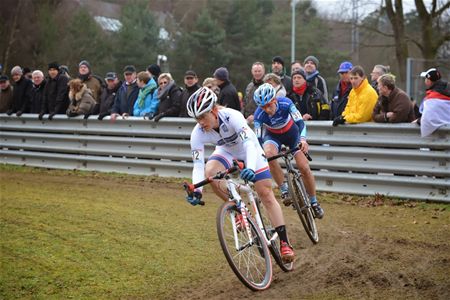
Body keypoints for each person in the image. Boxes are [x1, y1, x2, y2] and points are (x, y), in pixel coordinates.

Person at [185, 86, 295, 262]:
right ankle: (238, 208)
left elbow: (249, 144)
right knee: (210, 173)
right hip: (226, 151)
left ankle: (284, 242)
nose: (200, 123)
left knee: (265, 194)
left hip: (250, 150)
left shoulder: (232, 116)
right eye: (196, 119)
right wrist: (196, 190)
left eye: (202, 117)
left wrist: (250, 167)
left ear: (214, 110)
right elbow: (197, 165)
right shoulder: (197, 133)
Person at [253, 83, 324, 219]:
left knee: (304, 167)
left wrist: (303, 140)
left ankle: (314, 201)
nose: (267, 110)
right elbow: (258, 138)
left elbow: (301, 123)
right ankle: (284, 189)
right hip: (273, 137)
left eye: (269, 105)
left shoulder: (286, 103)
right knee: (268, 154)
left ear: (274, 99)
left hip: (293, 135)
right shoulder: (259, 115)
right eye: (263, 107)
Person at [416, 68, 450, 137]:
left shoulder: (431, 98)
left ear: (428, 81)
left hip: (436, 137)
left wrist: (419, 121)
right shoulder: (447, 90)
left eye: (425, 79)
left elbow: (428, 119)